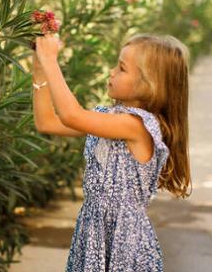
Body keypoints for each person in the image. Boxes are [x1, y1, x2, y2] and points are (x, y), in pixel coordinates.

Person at [32, 32, 192, 271]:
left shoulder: (137, 126)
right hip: (94, 232)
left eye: (122, 68)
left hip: (123, 243)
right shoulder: (110, 118)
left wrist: (51, 61)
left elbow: (71, 115)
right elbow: (46, 122)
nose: (112, 71)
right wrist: (39, 68)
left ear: (149, 85)